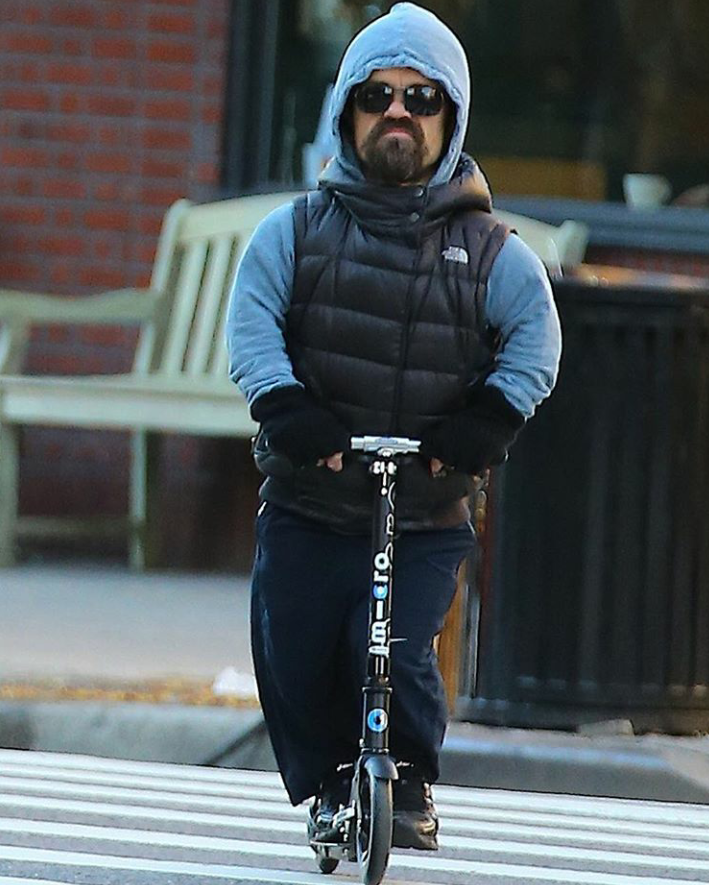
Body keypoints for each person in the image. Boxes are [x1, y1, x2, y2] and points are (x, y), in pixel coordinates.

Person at [226, 2, 561, 852]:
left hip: (424, 507)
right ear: (347, 111)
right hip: (311, 494)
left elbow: (535, 340)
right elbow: (253, 320)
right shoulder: (295, 232)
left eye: (422, 98)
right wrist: (285, 406)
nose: (399, 114)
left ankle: (404, 781)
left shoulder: (490, 252)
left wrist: (485, 421)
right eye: (378, 95)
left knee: (400, 648)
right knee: (293, 642)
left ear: (450, 120)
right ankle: (332, 780)